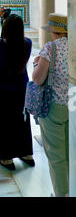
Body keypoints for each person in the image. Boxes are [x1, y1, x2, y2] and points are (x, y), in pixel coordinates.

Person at [0, 7, 33, 171]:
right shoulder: (27, 44)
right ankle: (26, 154)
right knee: (21, 121)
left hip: (2, 90)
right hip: (21, 89)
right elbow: (17, 38)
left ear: (5, 29)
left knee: (3, 123)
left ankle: (7, 158)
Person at [32, 13, 69, 197]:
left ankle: (62, 193)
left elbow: (38, 79)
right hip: (73, 106)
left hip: (54, 106)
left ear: (54, 31)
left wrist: (35, 65)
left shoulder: (51, 49)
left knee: (56, 156)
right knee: (71, 151)